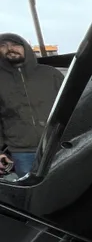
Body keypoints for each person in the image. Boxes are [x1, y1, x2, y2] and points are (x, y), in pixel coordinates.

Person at [0, 33, 64, 177]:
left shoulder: (51, 74)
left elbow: (72, 104)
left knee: (67, 185)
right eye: (3, 46)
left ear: (26, 48)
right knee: (30, 195)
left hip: (57, 144)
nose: (10, 49)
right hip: (22, 151)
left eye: (16, 45)